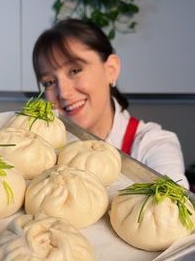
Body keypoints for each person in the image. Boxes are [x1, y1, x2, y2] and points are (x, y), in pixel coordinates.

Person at [32, 18, 189, 188]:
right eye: (49, 82)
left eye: (75, 70)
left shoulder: (152, 145)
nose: (63, 92)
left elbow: (173, 201)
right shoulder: (43, 152)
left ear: (111, 70)